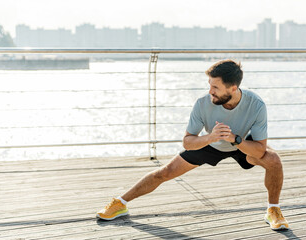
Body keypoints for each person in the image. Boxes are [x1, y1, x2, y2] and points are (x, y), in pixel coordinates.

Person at [96, 59, 289, 231]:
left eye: (215, 87)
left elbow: (260, 149)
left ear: (232, 88)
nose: (210, 91)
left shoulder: (256, 105)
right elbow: (188, 142)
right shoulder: (203, 104)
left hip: (241, 144)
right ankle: (120, 203)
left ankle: (273, 210)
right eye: (209, 85)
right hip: (210, 143)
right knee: (164, 172)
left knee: (273, 160)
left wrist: (235, 139)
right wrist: (210, 138)